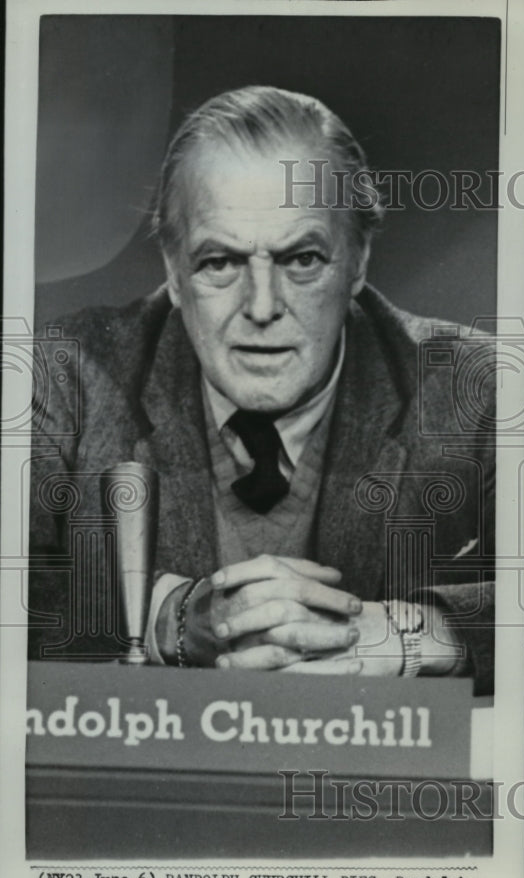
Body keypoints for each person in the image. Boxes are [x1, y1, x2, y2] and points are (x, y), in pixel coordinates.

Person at [28, 85, 495, 694]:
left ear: (358, 260)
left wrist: (406, 634)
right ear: (173, 271)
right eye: (220, 262)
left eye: (301, 259)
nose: (262, 306)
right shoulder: (64, 375)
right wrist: (168, 618)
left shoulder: (481, 389)